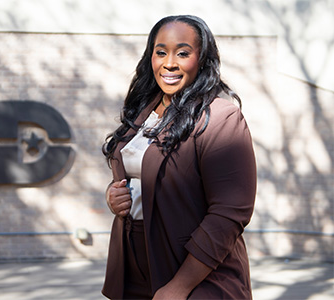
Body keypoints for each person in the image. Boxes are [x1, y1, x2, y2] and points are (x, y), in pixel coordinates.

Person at [101, 15, 257, 299]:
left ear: (201, 58)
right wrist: (115, 195)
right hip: (134, 270)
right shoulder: (143, 113)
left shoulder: (220, 118)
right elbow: (139, 175)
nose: (169, 63)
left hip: (193, 273)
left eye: (183, 53)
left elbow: (229, 213)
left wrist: (180, 286)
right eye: (161, 52)